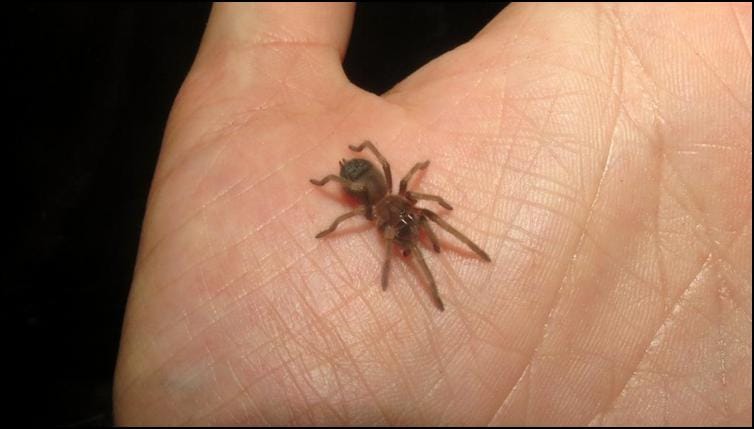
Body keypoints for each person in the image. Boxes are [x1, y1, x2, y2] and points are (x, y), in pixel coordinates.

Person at [113, 3, 752, 425]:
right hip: (369, 182)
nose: (407, 227)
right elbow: (360, 211)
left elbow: (414, 189)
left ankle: (448, 264)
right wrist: (364, 221)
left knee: (420, 212)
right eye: (403, 225)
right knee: (392, 217)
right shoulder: (373, 206)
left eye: (407, 223)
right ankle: (433, 280)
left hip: (384, 179)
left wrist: (433, 207)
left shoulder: (405, 201)